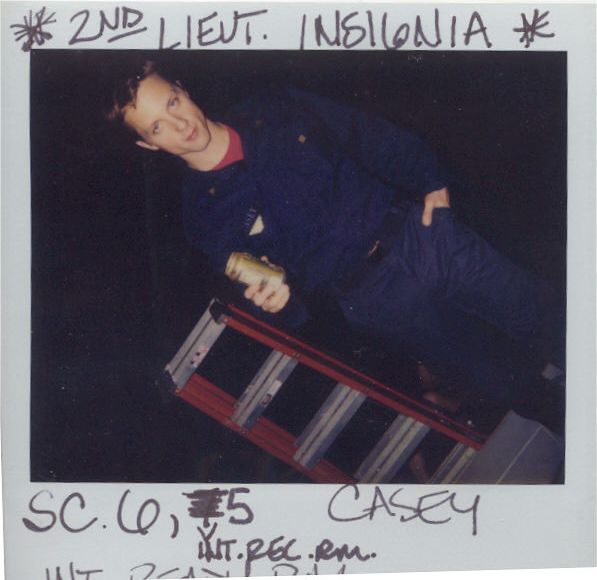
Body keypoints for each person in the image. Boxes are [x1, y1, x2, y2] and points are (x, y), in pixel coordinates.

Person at [109, 61, 564, 426]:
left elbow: (364, 133)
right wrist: (277, 301)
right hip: (376, 299)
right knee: (500, 378)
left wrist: (430, 179)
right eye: (157, 127)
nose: (179, 124)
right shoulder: (203, 219)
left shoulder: (273, 106)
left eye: (172, 102)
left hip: (419, 233)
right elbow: (275, 297)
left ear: (183, 89)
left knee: (541, 312)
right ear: (149, 146)